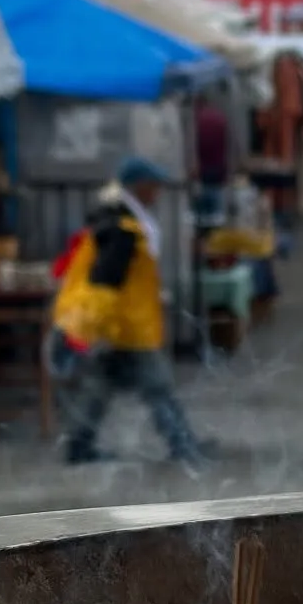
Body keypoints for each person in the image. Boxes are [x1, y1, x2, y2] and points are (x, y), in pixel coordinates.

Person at [52, 157, 208, 467]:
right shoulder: (124, 230)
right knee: (158, 387)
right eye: (154, 186)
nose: (158, 192)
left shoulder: (118, 223)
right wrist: (85, 328)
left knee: (100, 387)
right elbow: (105, 283)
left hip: (118, 324)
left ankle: (79, 445)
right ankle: (182, 445)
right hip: (128, 327)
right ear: (139, 187)